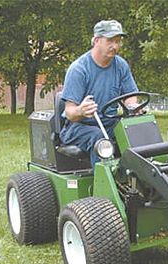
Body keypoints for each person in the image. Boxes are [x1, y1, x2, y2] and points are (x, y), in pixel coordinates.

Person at [60, 20, 139, 167]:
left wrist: (133, 106)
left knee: (136, 130)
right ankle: (104, 186)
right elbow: (70, 112)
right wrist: (81, 110)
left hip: (110, 122)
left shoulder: (121, 65)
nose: (115, 46)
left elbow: (130, 95)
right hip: (78, 126)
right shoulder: (79, 69)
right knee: (100, 138)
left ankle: (144, 180)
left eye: (118, 41)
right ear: (96, 40)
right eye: (110, 41)